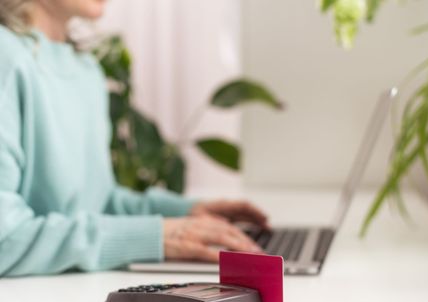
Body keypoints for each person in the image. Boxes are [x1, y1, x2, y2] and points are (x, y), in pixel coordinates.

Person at [0, 0, 268, 277]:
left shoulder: (85, 69)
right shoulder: (6, 58)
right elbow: (4, 240)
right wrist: (152, 236)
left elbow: (98, 204)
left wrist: (184, 213)